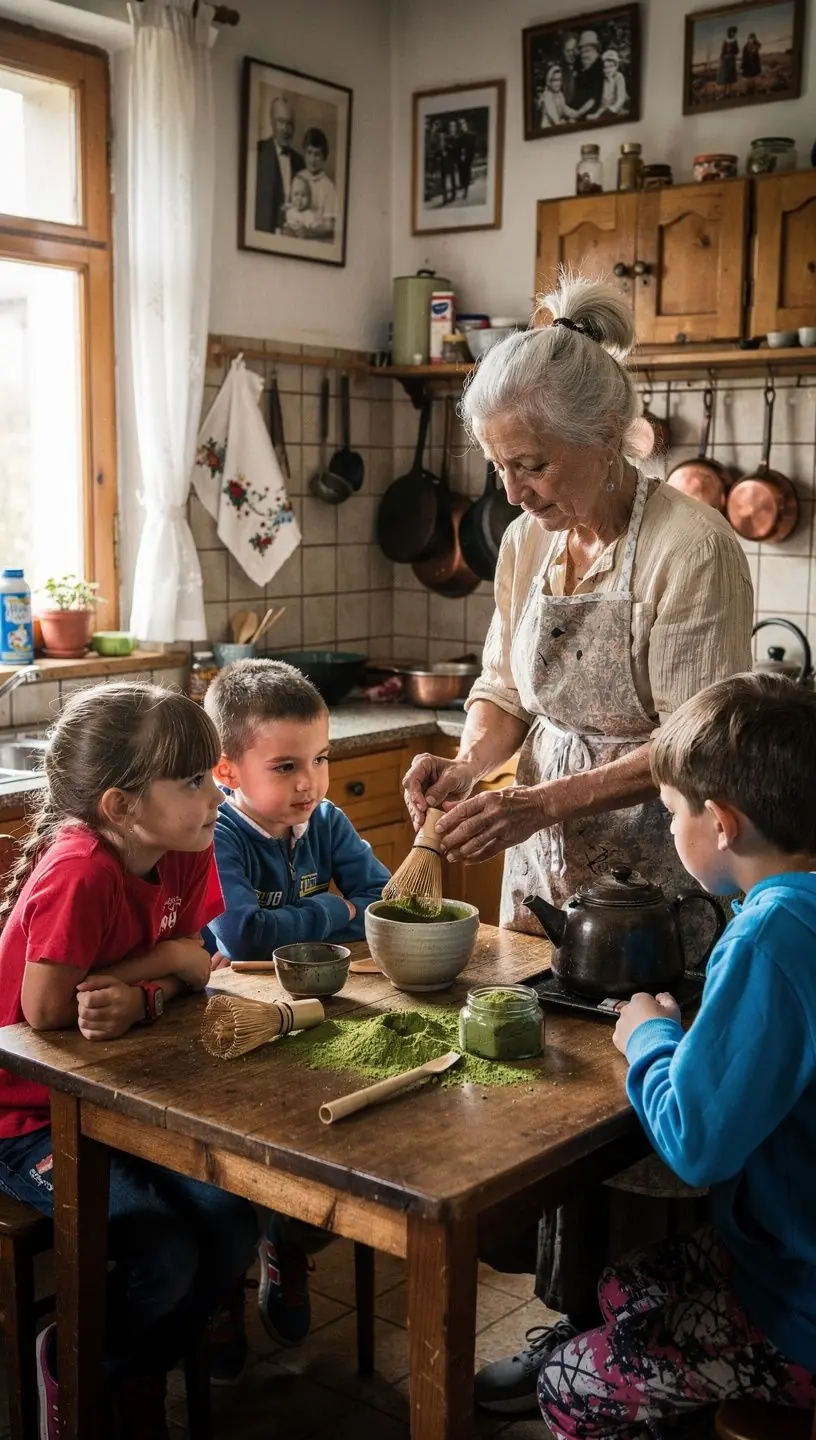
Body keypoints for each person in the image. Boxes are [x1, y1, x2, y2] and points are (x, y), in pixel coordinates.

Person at [403, 270, 753, 1414]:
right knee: (543, 1093)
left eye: (535, 465)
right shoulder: (521, 542)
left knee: (637, 1111)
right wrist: (470, 764)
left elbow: (697, 744)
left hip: (663, 861)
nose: (513, 489)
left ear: (611, 440)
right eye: (500, 466)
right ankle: (566, 1330)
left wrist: (542, 802)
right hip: (545, 851)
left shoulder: (690, 546)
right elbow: (505, 685)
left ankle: (643, 1342)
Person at [538, 672, 816, 1437]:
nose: (668, 833)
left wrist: (647, 1036)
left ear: (722, 823)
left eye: (669, 815)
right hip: (791, 1251)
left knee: (569, 1381)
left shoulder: (772, 932)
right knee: (624, 1287)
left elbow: (695, 1144)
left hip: (803, 1310)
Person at [0, 682, 260, 1440]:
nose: (215, 794)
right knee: (164, 1247)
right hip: (23, 1116)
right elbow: (47, 1014)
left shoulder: (186, 848)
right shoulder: (79, 870)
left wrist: (153, 984)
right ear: (119, 806)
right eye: (191, 782)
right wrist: (168, 962)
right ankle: (82, 1382)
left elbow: (199, 970)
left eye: (211, 776)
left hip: (119, 1101)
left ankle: (128, 1367)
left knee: (233, 1221)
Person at [202, 660, 389, 1352]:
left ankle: (287, 1245)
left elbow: (383, 902)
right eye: (284, 766)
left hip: (316, 1017)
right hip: (232, 1024)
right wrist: (330, 910)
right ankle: (219, 1285)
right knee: (230, 1159)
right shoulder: (219, 834)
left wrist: (333, 913)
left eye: (320, 759)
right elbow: (239, 931)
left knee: (321, 1140)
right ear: (228, 772)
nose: (309, 782)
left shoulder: (326, 821)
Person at [255, 94, 304, 234]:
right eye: (281, 121)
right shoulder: (257, 153)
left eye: (289, 123)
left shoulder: (300, 163)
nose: (285, 129)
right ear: (271, 121)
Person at [300, 126, 338, 239]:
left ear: (324, 157)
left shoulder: (328, 187)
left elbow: (329, 226)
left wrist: (309, 232)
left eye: (317, 154)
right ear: (304, 153)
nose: (312, 159)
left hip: (316, 240)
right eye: (309, 153)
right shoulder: (298, 177)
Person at [572, 29, 605, 114]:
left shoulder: (600, 70)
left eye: (587, 51)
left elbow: (595, 97)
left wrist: (577, 113)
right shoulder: (583, 71)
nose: (584, 55)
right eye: (582, 52)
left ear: (596, 51)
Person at [589, 49, 629, 118]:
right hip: (604, 110)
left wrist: (612, 109)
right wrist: (598, 113)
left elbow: (620, 99)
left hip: (618, 110)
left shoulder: (619, 77)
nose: (608, 70)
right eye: (605, 67)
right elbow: (602, 102)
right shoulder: (603, 79)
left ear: (616, 66)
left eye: (611, 66)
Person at [456, 117, 476, 200]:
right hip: (461, 157)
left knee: (466, 172)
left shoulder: (471, 135)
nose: (461, 127)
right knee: (462, 173)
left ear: (465, 124)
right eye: (460, 125)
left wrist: (469, 155)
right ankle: (463, 186)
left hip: (468, 156)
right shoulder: (459, 136)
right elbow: (458, 147)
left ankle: (466, 191)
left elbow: (473, 147)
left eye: (462, 124)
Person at [718, 25, 739, 97]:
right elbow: (723, 51)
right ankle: (724, 92)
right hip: (725, 61)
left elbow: (737, 50)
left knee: (730, 77)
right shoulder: (725, 41)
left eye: (734, 33)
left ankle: (729, 92)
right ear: (730, 33)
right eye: (732, 32)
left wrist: (732, 54)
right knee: (725, 76)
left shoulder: (735, 41)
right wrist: (724, 56)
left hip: (731, 61)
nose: (733, 34)